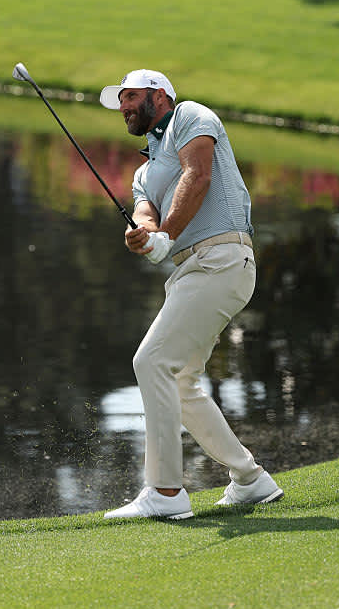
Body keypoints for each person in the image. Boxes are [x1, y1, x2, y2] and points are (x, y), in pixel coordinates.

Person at [98, 69, 283, 520]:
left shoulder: (190, 116)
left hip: (222, 260)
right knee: (180, 380)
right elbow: (146, 213)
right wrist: (143, 235)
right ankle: (250, 479)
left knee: (151, 361)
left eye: (130, 96)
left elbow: (197, 175)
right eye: (119, 100)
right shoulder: (145, 169)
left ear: (158, 96)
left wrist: (167, 234)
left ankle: (164, 492)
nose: (123, 106)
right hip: (192, 271)